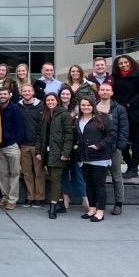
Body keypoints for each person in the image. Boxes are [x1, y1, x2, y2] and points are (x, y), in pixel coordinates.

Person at [74, 97, 116, 222]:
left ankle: (100, 211)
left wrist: (99, 145)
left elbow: (112, 135)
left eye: (88, 105)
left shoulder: (102, 118)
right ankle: (92, 208)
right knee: (88, 185)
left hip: (99, 157)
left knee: (99, 185)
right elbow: (78, 136)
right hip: (84, 157)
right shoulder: (77, 120)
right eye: (83, 105)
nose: (85, 107)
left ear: (93, 106)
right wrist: (76, 145)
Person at [112, 54, 139, 179]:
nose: (123, 65)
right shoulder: (116, 78)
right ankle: (129, 166)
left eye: (125, 62)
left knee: (137, 142)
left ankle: (134, 168)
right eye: (120, 63)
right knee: (122, 142)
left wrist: (129, 103)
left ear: (131, 62)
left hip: (137, 113)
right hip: (122, 114)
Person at [35, 93, 73, 219]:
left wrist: (65, 153)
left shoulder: (64, 114)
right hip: (47, 153)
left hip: (59, 152)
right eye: (48, 100)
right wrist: (38, 152)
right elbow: (40, 135)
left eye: (52, 100)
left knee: (55, 179)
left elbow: (69, 135)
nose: (50, 102)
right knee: (53, 177)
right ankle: (61, 204)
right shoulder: (45, 115)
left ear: (57, 101)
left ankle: (53, 208)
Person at [96, 82, 129, 215]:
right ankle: (99, 204)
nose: (104, 92)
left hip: (113, 148)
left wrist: (119, 147)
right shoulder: (94, 107)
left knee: (116, 177)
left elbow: (124, 129)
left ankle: (118, 203)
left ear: (112, 93)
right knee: (99, 178)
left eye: (107, 90)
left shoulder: (119, 109)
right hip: (99, 148)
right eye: (102, 90)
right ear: (98, 92)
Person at [58, 85, 88, 213]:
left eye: (67, 94)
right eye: (63, 94)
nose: (65, 96)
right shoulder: (57, 109)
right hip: (60, 145)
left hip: (75, 145)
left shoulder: (77, 109)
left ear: (71, 96)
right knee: (63, 174)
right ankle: (65, 199)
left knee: (77, 173)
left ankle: (85, 199)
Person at [0, 87, 24, 210]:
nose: (2, 96)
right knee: (1, 174)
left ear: (9, 95)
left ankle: (12, 199)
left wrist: (17, 142)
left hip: (12, 146)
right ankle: (5, 196)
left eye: (5, 94)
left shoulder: (15, 108)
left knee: (15, 173)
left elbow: (20, 127)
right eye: (0, 94)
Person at [17, 84, 45, 208]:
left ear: (33, 92)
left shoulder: (41, 105)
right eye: (24, 91)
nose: (27, 93)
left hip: (37, 144)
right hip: (23, 145)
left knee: (39, 172)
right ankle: (30, 197)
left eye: (29, 91)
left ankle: (40, 197)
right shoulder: (18, 106)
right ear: (21, 92)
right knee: (27, 172)